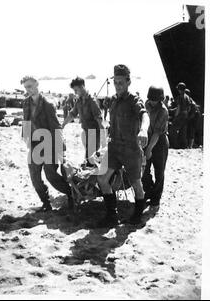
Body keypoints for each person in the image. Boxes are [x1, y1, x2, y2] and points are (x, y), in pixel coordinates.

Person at [96, 64, 149, 225]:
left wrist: (144, 130)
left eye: (121, 82)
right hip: (114, 148)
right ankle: (112, 215)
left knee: (136, 185)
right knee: (102, 179)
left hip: (131, 149)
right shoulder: (112, 100)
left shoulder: (134, 100)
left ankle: (137, 215)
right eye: (116, 82)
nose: (118, 86)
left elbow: (144, 115)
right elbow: (101, 109)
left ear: (128, 82)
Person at [21, 76, 73, 212]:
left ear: (37, 84)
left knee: (52, 176)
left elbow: (56, 127)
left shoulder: (48, 104)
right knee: (35, 177)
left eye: (31, 86)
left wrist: (61, 150)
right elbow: (25, 121)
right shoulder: (26, 103)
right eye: (26, 87)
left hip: (49, 144)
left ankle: (71, 195)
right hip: (34, 145)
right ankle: (46, 202)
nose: (29, 89)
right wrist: (26, 138)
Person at [62, 77, 104, 167]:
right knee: (89, 157)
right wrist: (63, 124)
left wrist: (103, 135)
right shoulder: (79, 101)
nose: (75, 92)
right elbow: (72, 114)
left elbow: (98, 118)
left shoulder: (92, 101)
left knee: (91, 158)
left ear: (82, 87)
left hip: (93, 133)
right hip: (85, 132)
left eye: (76, 90)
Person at [142, 86, 169, 213]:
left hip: (160, 142)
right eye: (151, 99)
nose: (152, 102)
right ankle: (149, 191)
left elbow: (157, 133)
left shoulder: (163, 111)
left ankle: (155, 200)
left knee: (159, 172)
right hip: (147, 139)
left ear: (160, 99)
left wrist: (149, 149)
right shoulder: (146, 104)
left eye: (155, 99)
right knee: (144, 170)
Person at [173, 82, 192, 148]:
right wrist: (186, 113)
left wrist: (175, 116)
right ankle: (184, 145)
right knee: (183, 130)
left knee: (174, 129)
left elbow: (178, 107)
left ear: (179, 89)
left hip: (180, 114)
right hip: (186, 114)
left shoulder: (180, 97)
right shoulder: (187, 96)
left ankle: (175, 145)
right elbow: (189, 107)